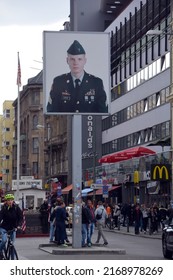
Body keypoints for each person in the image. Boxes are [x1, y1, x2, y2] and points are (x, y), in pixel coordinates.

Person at [47, 40, 108, 114]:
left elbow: (103, 112)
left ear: (85, 61)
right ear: (67, 60)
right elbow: (51, 111)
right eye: (72, 59)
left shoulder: (96, 83)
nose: (76, 63)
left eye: (79, 59)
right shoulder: (59, 82)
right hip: (66, 124)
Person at [0, 193, 23, 260]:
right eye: (8, 200)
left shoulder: (16, 208)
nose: (10, 201)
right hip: (4, 228)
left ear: (13, 201)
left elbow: (20, 217)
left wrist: (19, 225)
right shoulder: (4, 209)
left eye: (11, 200)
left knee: (11, 244)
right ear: (6, 201)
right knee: (4, 240)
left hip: (13, 228)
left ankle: (12, 259)